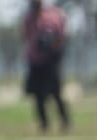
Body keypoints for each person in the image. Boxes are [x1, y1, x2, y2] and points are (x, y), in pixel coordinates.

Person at [22, 0, 70, 133]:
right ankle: (44, 124)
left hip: (51, 61)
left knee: (56, 93)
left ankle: (65, 122)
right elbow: (26, 37)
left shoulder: (53, 15)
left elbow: (61, 36)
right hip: (35, 61)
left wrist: (52, 45)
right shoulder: (28, 18)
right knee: (38, 95)